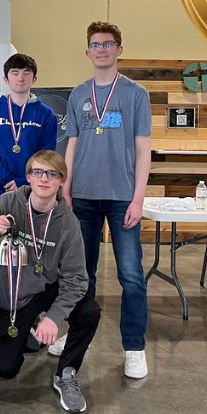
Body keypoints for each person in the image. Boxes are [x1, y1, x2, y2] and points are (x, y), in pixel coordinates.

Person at [57, 22, 152, 379]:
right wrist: (65, 186)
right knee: (83, 275)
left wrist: (138, 198)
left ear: (119, 50)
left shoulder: (135, 93)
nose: (102, 50)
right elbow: (73, 143)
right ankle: (82, 335)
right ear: (87, 52)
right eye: (96, 45)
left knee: (131, 276)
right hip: (82, 196)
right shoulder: (79, 93)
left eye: (108, 44)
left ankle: (134, 347)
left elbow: (144, 150)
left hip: (122, 197)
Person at [0, 150, 101, 413]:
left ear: (61, 181)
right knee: (6, 369)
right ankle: (27, 333)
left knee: (90, 311)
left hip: (46, 287)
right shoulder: (7, 202)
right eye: (38, 172)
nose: (44, 178)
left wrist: (54, 317)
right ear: (28, 176)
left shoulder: (68, 222)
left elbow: (77, 279)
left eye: (52, 174)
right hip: (13, 293)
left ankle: (66, 374)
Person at [0, 52, 59, 220]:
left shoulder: (46, 115)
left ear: (34, 79)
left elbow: (46, 156)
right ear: (6, 79)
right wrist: (6, 179)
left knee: (30, 244)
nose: (20, 78)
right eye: (15, 72)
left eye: (26, 73)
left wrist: (22, 181)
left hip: (32, 191)